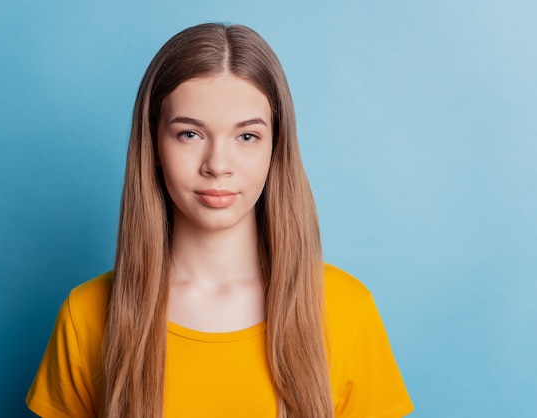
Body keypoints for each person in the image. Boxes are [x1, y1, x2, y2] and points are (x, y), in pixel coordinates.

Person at [26, 23, 414, 418]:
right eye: (190, 134)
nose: (217, 165)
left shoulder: (347, 309)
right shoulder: (87, 314)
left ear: (275, 148)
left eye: (246, 137)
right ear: (153, 144)